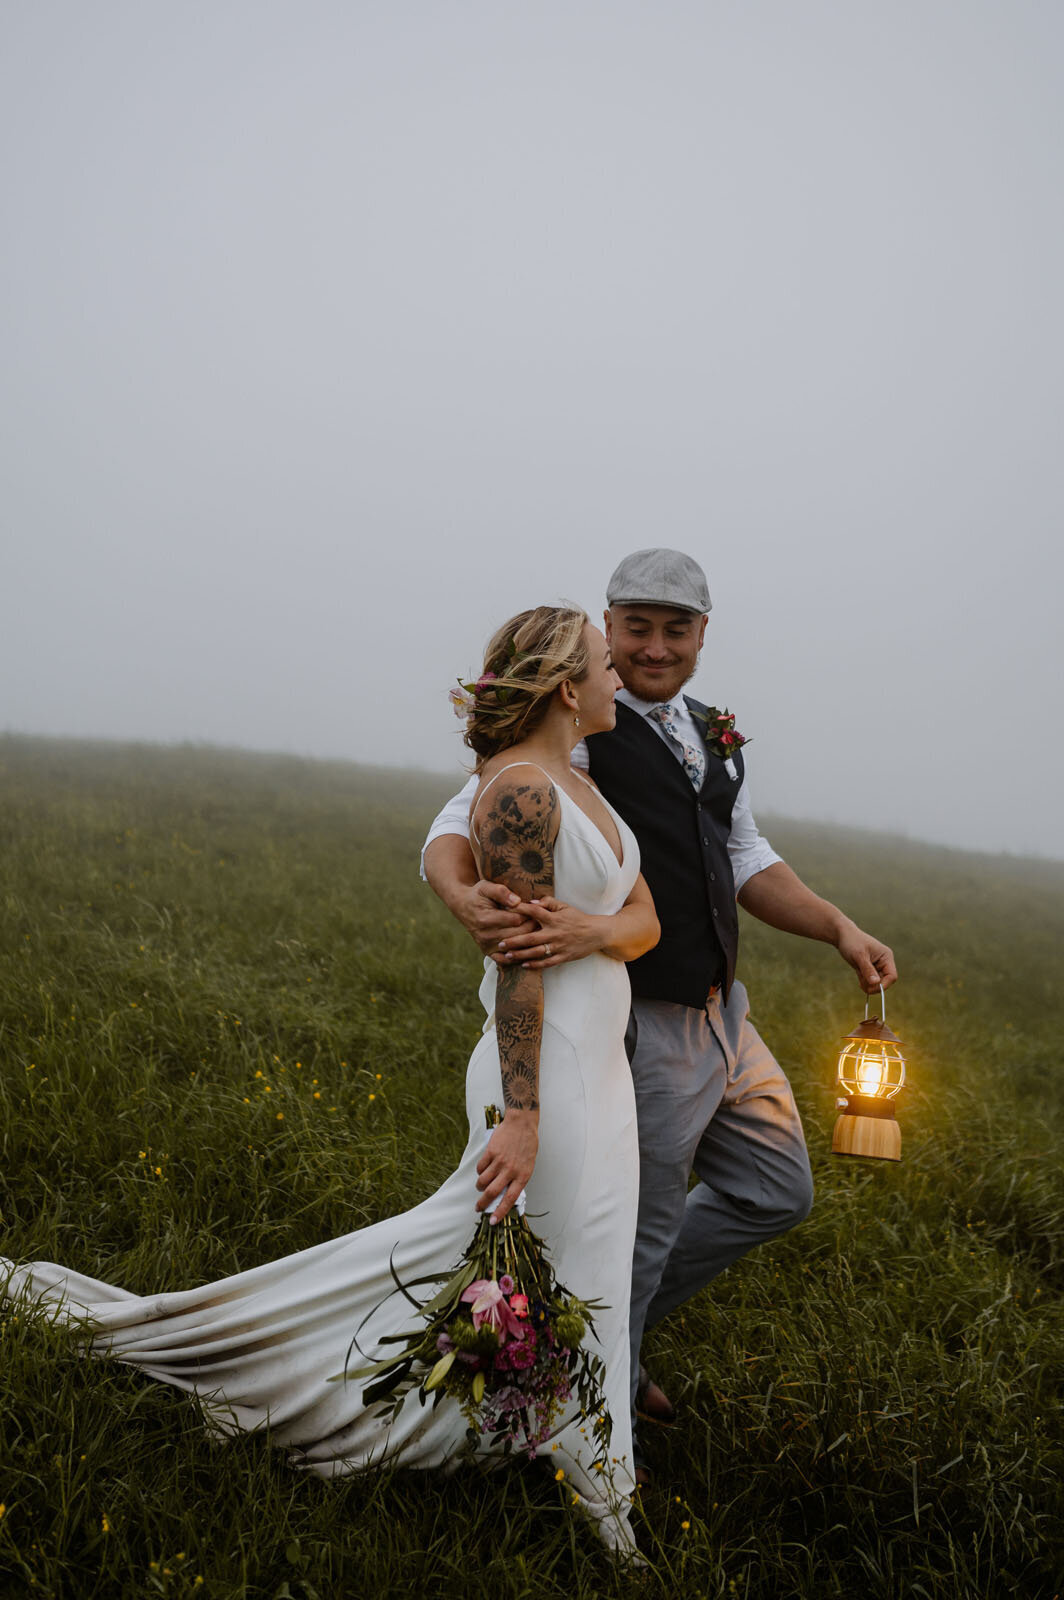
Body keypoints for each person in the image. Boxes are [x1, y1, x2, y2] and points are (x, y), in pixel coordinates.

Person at [1, 606, 659, 1558]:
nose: (616, 679)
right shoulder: (520, 792)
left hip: (604, 1076)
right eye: (603, 665)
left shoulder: (580, 781)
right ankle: (610, 1519)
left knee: (567, 1272)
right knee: (530, 1265)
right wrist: (520, 1114)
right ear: (566, 687)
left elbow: (646, 918)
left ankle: (539, 1438)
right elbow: (518, 966)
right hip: (546, 1075)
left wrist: (597, 931)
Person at [422, 548, 898, 1478]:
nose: (652, 647)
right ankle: (590, 1406)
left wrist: (838, 926)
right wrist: (459, 895)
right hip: (645, 1024)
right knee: (633, 1225)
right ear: (606, 629)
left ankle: (615, 1330)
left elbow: (745, 855)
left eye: (674, 630)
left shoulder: (714, 734)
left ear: (701, 636)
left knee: (777, 1190)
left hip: (728, 1015)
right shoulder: (582, 727)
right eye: (633, 628)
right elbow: (454, 821)